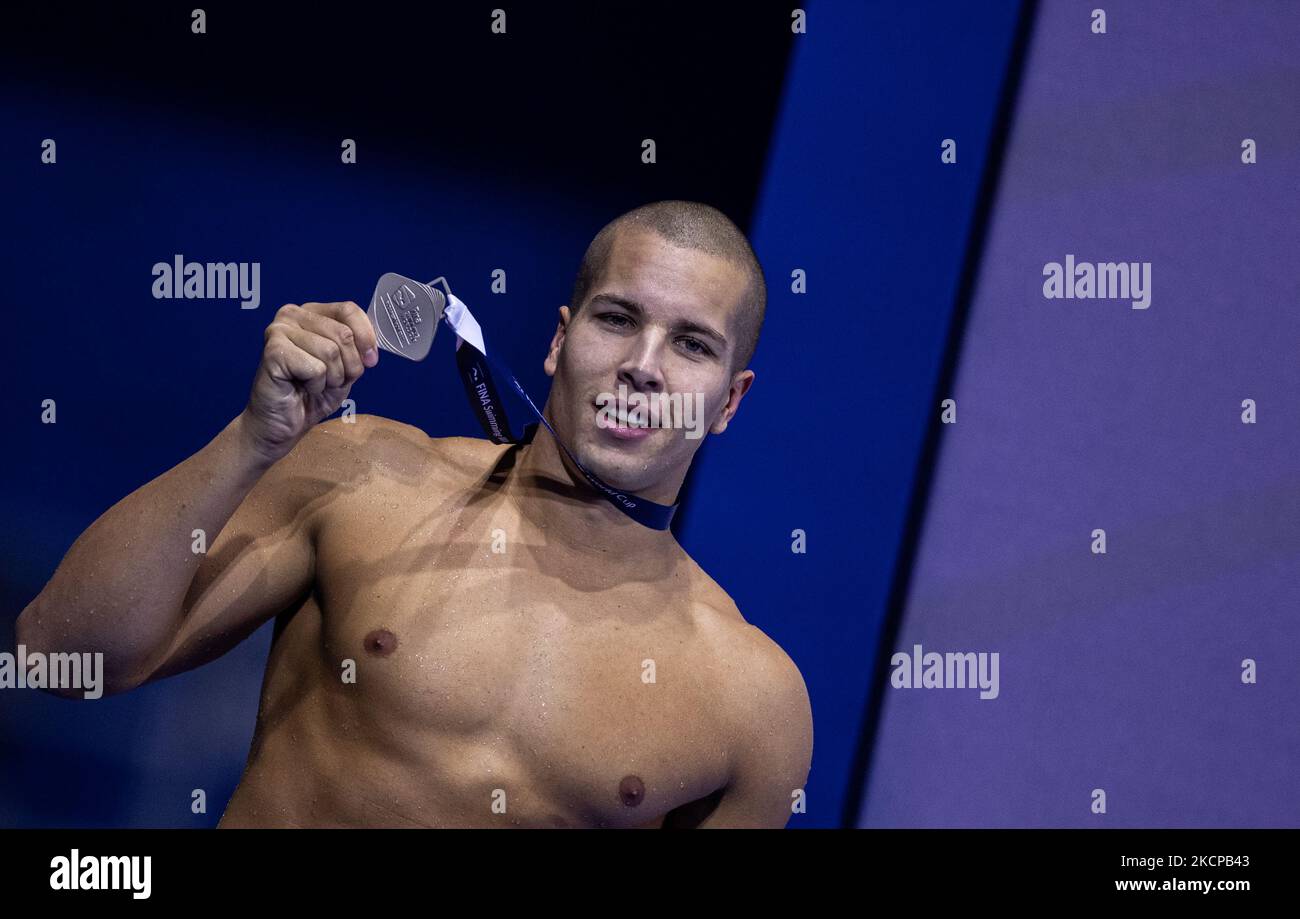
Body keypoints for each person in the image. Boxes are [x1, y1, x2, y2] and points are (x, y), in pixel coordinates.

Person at [17, 200, 814, 828]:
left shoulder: (750, 703)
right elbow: (59, 656)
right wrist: (250, 442)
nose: (643, 366)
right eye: (617, 318)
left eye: (692, 345)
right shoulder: (366, 477)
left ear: (729, 403)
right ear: (558, 342)